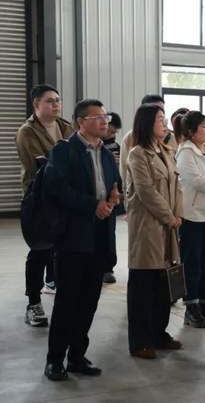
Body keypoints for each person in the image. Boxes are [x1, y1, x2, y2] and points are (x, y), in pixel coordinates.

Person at [43, 99, 121, 380]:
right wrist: (92, 206)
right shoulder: (64, 151)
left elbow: (114, 185)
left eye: (105, 116)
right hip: (73, 237)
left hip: (99, 236)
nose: (104, 122)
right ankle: (55, 359)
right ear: (80, 122)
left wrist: (114, 198)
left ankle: (77, 355)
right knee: (67, 301)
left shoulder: (107, 154)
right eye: (97, 117)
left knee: (89, 300)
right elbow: (56, 189)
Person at [126, 103, 183, 360]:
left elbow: (177, 186)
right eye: (160, 119)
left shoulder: (166, 151)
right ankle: (140, 342)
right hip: (148, 227)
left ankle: (159, 334)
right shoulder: (138, 154)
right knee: (143, 285)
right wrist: (169, 217)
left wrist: (177, 215)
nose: (165, 124)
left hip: (169, 225)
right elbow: (146, 191)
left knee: (163, 285)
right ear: (147, 123)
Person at [15, 84, 74, 327]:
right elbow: (40, 166)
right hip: (40, 200)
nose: (55, 104)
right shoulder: (27, 132)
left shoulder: (66, 127)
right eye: (50, 101)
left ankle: (58, 287)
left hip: (66, 198)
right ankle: (33, 303)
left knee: (64, 249)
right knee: (40, 249)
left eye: (57, 100)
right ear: (36, 104)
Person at [175, 111, 205, 328]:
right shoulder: (185, 152)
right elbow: (198, 181)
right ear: (191, 131)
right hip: (192, 216)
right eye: (203, 126)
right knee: (192, 264)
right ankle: (191, 306)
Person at [120, 94, 165, 209]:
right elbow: (125, 171)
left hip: (167, 200)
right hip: (143, 203)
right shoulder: (131, 138)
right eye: (152, 110)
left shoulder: (170, 137)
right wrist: (127, 201)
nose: (158, 112)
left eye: (161, 110)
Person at [101, 111, 123, 284]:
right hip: (95, 197)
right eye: (110, 129)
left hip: (111, 195)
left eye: (114, 131)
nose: (111, 133)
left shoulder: (116, 147)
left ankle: (108, 267)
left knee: (109, 233)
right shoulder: (92, 146)